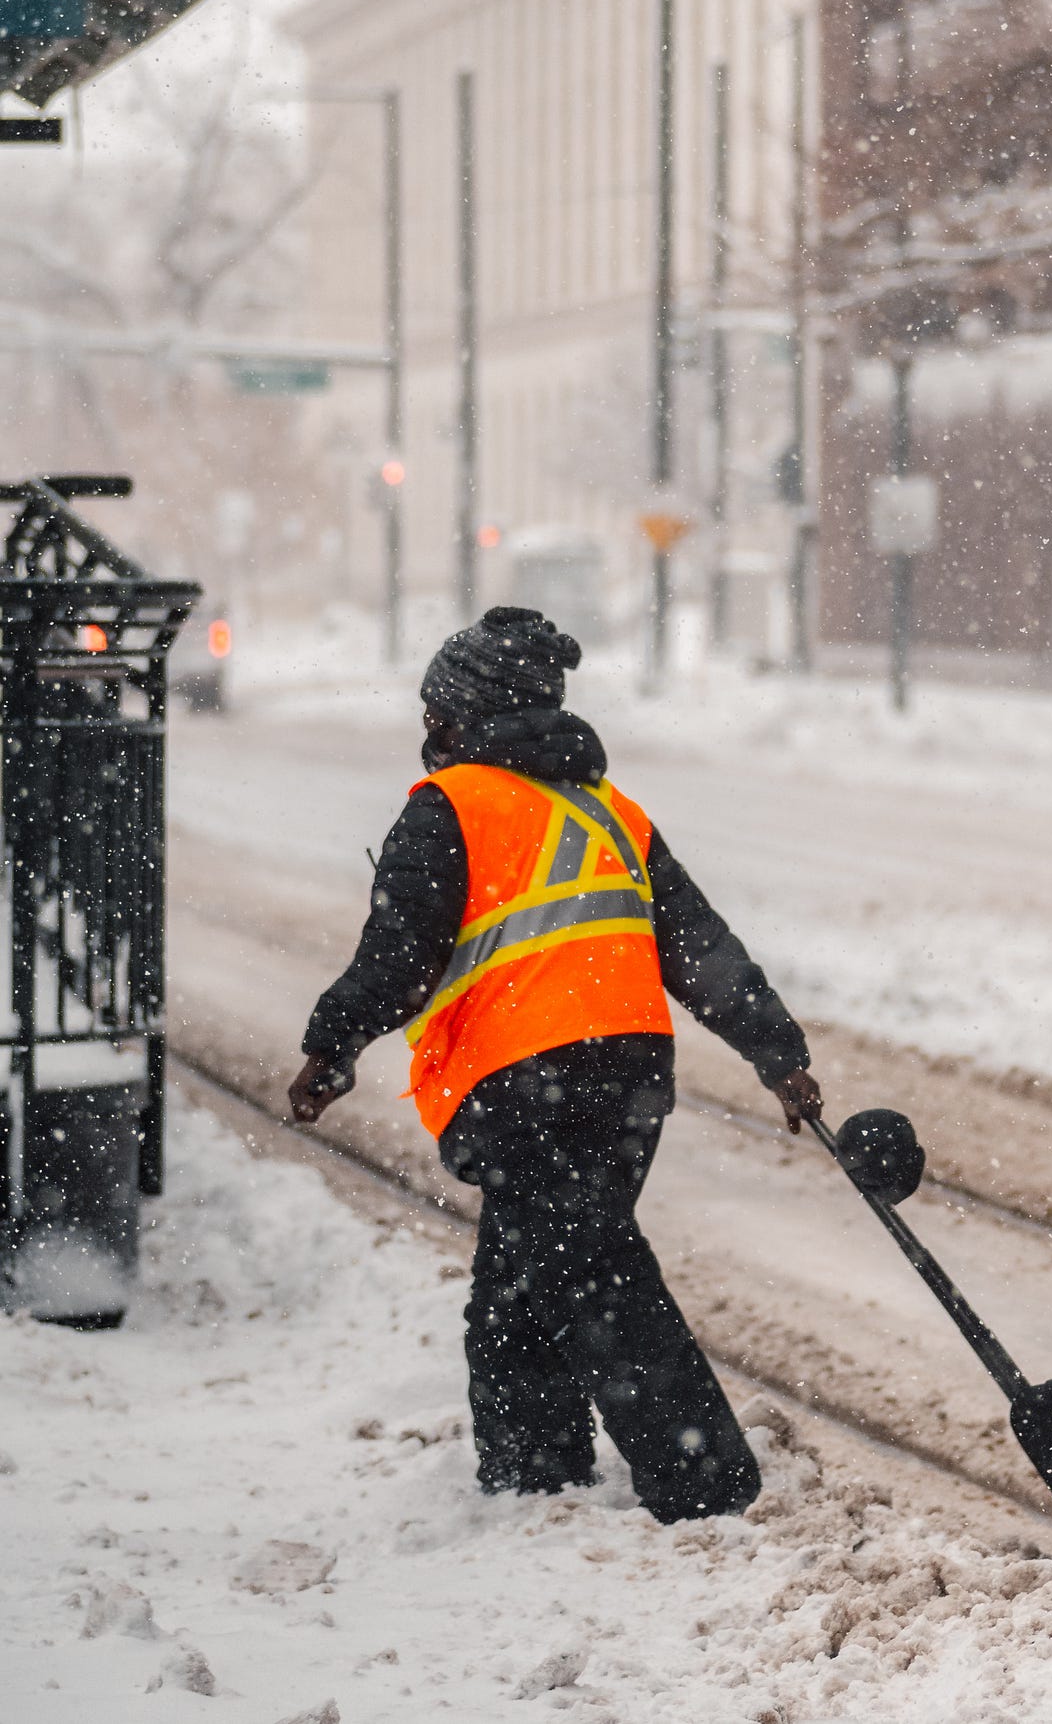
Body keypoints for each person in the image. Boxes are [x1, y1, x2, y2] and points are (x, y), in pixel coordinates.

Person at [288, 606, 821, 1524]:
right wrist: (779, 1052)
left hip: (523, 1082)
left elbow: (398, 961)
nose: (427, 731)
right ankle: (533, 1479)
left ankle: (708, 1488)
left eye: (434, 712)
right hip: (629, 1080)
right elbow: (700, 948)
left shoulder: (450, 808)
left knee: (592, 1280)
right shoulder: (612, 813)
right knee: (522, 1285)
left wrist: (330, 1046)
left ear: (460, 715)